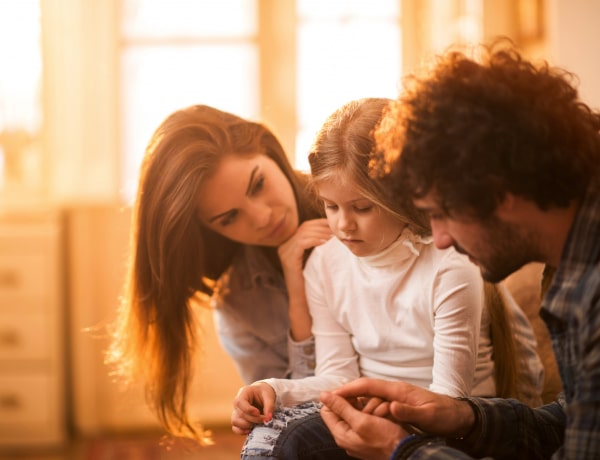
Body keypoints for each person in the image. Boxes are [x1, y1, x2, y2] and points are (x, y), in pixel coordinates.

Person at [319, 41, 600, 459]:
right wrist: (466, 416)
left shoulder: (592, 291)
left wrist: (404, 451)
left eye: (440, 214)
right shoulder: (568, 265)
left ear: (498, 193)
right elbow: (576, 421)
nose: (442, 238)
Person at [231, 98, 543, 459]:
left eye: (362, 208)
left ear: (404, 196)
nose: (343, 225)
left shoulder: (450, 264)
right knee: (274, 435)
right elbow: (339, 379)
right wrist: (273, 388)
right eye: (331, 207)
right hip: (372, 415)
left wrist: (382, 425)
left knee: (295, 441)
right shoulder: (324, 263)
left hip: (449, 426)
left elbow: (449, 404)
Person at [106, 104, 332, 441]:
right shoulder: (238, 304)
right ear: (210, 231)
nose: (261, 217)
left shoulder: (360, 205)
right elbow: (292, 415)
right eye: (229, 218)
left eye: (258, 184)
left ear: (268, 149)